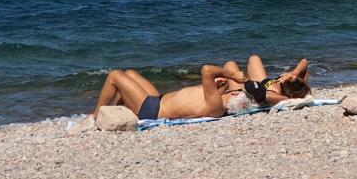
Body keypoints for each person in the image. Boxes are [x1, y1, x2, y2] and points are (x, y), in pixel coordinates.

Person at [95, 64, 246, 121]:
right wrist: (221, 84)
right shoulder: (216, 104)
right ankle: (118, 111)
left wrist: (233, 76)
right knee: (130, 73)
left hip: (153, 110)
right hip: (157, 100)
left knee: (114, 76)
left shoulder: (216, 105)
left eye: (236, 91)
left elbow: (206, 69)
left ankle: (96, 117)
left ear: (233, 95)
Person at [221, 56, 311, 106]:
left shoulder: (276, 94)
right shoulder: (295, 84)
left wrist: (291, 99)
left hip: (243, 91)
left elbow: (267, 96)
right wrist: (293, 73)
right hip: (260, 82)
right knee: (254, 58)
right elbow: (305, 62)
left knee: (230, 65)